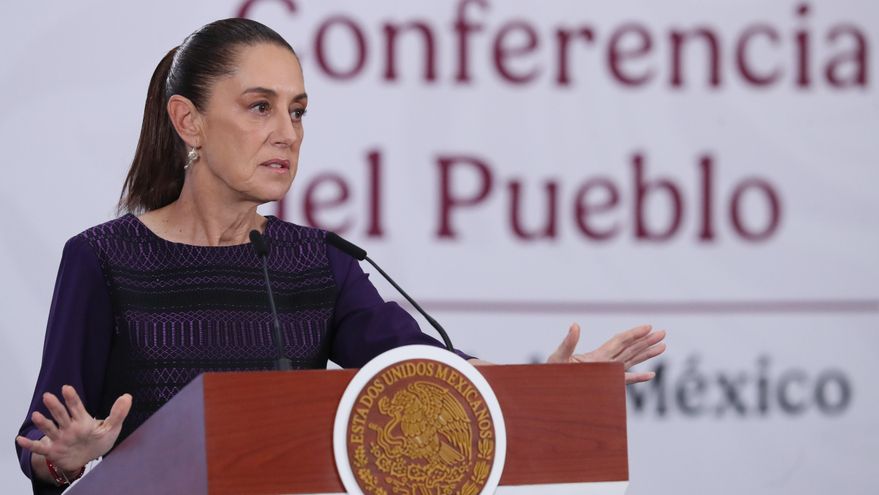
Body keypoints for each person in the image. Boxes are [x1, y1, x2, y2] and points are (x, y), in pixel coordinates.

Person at [14, 18, 666, 494]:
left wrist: (543, 388)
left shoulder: (314, 260)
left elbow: (417, 368)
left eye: (297, 111)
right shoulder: (103, 258)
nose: (286, 134)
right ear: (188, 122)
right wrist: (68, 454)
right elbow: (44, 443)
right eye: (259, 108)